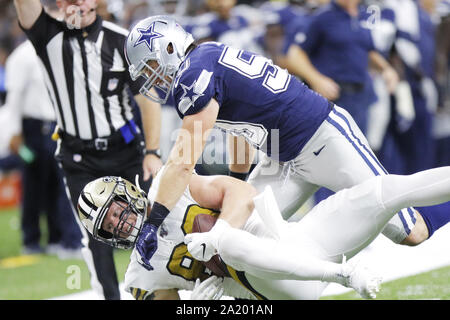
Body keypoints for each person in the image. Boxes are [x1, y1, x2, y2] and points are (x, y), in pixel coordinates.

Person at [123, 15, 448, 271]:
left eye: (151, 66)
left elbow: (182, 162)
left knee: (412, 232)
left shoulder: (194, 76)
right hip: (281, 156)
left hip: (322, 139)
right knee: (243, 233)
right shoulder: (207, 60)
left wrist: (153, 221)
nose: (153, 78)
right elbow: (242, 131)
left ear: (169, 48)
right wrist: (236, 185)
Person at [77, 164, 450, 299]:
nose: (118, 223)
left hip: (293, 241)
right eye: (108, 226)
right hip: (271, 290)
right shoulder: (139, 275)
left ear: (127, 193)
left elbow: (243, 192)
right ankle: (343, 275)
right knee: (227, 243)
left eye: (115, 211)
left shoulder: (169, 187)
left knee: (381, 193)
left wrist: (217, 233)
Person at [13, 0, 163, 300]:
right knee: (96, 238)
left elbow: (150, 99)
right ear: (60, 2)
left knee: (152, 225)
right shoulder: (47, 35)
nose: (79, 2)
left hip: (126, 150)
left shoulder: (121, 40)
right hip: (78, 157)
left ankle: (160, 292)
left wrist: (153, 151)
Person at [4, 37, 82, 257]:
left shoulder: (63, 49)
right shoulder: (22, 55)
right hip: (33, 128)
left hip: (60, 125)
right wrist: (14, 132)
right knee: (34, 186)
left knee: (60, 184)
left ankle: (60, 238)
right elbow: (14, 97)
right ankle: (31, 240)